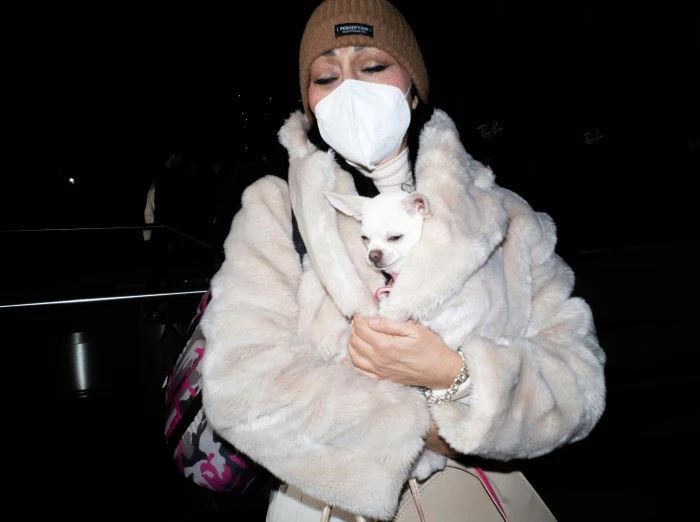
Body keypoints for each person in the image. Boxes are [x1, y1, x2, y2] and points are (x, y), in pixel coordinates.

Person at [200, 1, 607, 520]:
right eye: (326, 76)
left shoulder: (504, 216)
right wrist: (427, 429)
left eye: (372, 67)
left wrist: (455, 376)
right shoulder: (276, 210)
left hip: (477, 501)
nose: (350, 90)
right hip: (329, 509)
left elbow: (577, 381)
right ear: (308, 103)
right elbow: (241, 386)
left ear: (413, 88)